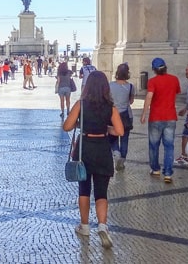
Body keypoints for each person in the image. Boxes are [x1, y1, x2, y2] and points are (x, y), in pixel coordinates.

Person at [62, 71, 123, 249]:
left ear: (87, 86)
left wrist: (79, 123)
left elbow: (66, 126)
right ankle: (103, 225)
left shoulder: (81, 104)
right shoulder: (110, 107)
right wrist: (107, 129)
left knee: (84, 189)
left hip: (84, 149)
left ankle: (85, 226)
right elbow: (119, 131)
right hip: (102, 148)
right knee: (101, 191)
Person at [140, 57, 180, 183]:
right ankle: (168, 173)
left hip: (156, 117)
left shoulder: (152, 81)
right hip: (171, 117)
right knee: (169, 146)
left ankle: (155, 169)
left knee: (154, 145)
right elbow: (176, 94)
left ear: (154, 69)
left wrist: (144, 113)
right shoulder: (174, 79)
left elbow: (149, 97)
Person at [109, 63, 135, 171]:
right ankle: (122, 160)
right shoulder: (130, 86)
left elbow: (108, 99)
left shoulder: (110, 85)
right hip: (126, 115)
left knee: (113, 137)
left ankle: (116, 153)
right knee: (125, 139)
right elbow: (131, 101)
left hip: (113, 114)